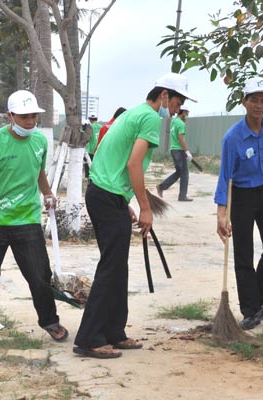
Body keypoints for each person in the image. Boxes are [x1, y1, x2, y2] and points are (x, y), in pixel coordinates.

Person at [74, 73, 196, 358]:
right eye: (177, 102)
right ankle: (89, 338)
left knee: (118, 267)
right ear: (165, 95)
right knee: (110, 268)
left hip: (106, 194)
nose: (177, 109)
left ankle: (114, 333)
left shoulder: (134, 113)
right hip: (106, 196)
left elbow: (111, 157)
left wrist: (122, 200)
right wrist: (145, 206)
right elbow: (133, 164)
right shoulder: (150, 118)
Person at [0, 90, 68, 350]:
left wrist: (48, 193)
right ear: (10, 116)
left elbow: (39, 171)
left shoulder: (39, 142)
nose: (30, 122)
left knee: (40, 277)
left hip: (27, 220)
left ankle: (49, 321)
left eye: (33, 116)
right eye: (23, 117)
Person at [215, 78, 263, 331]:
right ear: (244, 102)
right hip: (243, 197)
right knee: (244, 253)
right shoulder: (233, 137)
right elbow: (225, 176)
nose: (259, 105)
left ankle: (262, 303)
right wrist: (221, 214)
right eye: (254, 100)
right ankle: (249, 310)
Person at [156, 104, 194, 201]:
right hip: (179, 150)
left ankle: (162, 186)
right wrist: (187, 152)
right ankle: (182, 196)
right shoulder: (181, 124)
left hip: (173, 150)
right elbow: (181, 139)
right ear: (183, 112)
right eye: (187, 113)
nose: (187, 116)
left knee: (179, 172)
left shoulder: (174, 121)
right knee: (184, 173)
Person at [84, 113, 101, 178]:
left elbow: (87, 137)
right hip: (99, 149)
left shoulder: (90, 127)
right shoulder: (101, 127)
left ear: (90, 119)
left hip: (91, 149)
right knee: (96, 165)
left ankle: (87, 177)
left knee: (87, 163)